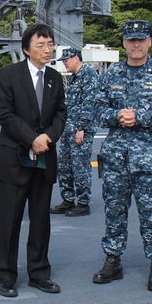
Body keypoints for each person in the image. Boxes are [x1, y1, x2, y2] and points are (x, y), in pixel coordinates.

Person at [94, 19, 152, 292]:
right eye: (131, 40)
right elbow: (96, 111)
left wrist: (140, 117)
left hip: (148, 160)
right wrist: (117, 116)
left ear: (149, 42)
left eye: (141, 40)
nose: (136, 44)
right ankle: (113, 260)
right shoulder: (110, 75)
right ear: (123, 43)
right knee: (114, 213)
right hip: (116, 159)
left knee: (151, 213)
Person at [0, 23, 67, 297]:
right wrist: (32, 138)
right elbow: (5, 113)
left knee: (41, 219)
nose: (47, 50)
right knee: (8, 220)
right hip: (15, 159)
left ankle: (39, 273)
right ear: (26, 49)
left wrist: (49, 137)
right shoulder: (9, 74)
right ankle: (5, 275)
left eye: (50, 44)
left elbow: (60, 112)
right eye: (41, 45)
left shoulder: (55, 78)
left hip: (44, 158)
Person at [50, 47, 102, 217]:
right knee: (65, 165)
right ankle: (68, 199)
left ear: (76, 58)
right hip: (68, 129)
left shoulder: (89, 76)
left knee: (80, 166)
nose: (64, 63)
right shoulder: (73, 78)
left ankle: (83, 202)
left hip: (80, 129)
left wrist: (82, 128)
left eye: (66, 60)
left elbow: (89, 104)